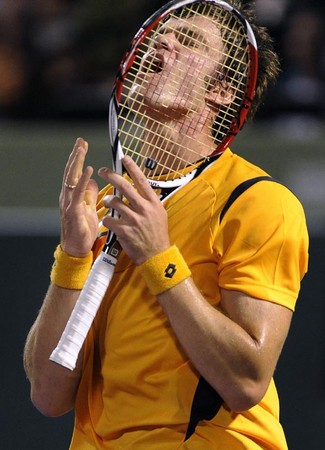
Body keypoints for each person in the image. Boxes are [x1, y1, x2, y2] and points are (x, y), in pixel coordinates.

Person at [23, 1, 308, 449]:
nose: (162, 41)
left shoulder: (259, 202)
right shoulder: (105, 208)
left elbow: (246, 381)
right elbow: (47, 393)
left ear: (222, 89)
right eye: (161, 34)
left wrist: (159, 258)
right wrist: (73, 259)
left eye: (188, 40)